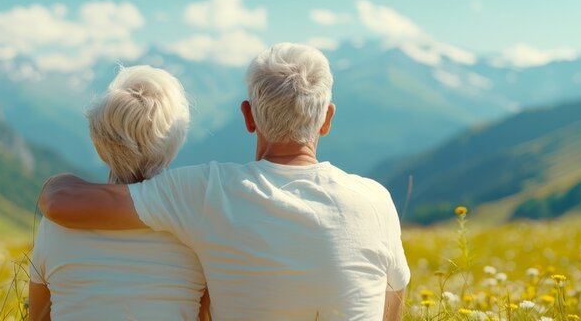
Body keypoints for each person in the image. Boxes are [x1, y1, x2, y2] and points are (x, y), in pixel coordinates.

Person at [39, 43, 410, 320]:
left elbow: (66, 204)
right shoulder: (377, 201)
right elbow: (392, 307)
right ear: (327, 119)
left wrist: (57, 183)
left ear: (248, 116)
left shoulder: (208, 191)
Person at [28, 65, 208, 321]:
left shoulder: (56, 224)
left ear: (99, 143)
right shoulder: (198, 228)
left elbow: (38, 317)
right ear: (175, 140)